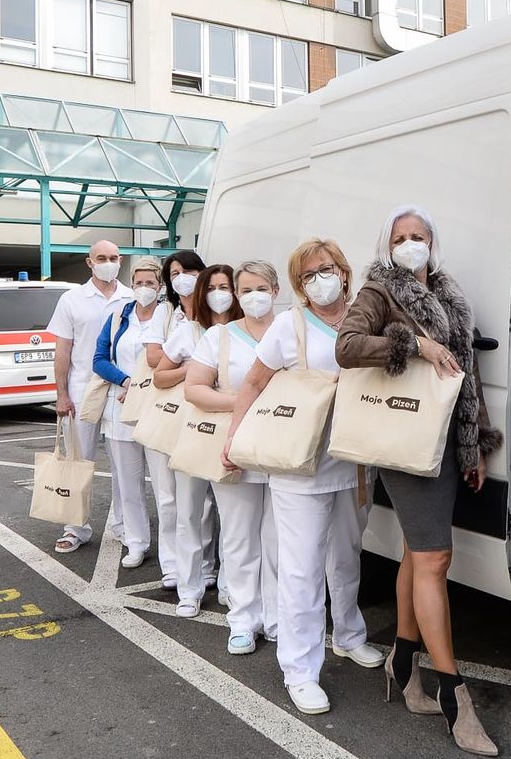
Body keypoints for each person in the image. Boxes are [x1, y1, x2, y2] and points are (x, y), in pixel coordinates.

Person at [336, 206, 503, 757]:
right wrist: (413, 345)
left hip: (447, 442)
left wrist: (475, 443)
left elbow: (468, 375)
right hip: (406, 444)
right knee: (434, 559)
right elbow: (346, 345)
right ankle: (455, 696)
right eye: (401, 237)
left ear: (434, 242)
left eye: (419, 236)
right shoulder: (379, 290)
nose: (411, 244)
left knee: (415, 553)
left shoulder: (450, 293)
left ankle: (403, 665)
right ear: (388, 244)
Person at [223, 238, 384, 716]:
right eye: (311, 274)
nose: (322, 279)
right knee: (300, 568)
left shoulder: (364, 316)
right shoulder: (285, 327)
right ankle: (299, 668)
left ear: (345, 271)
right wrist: (233, 437)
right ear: (298, 284)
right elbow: (252, 381)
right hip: (299, 466)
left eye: (328, 268)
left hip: (353, 462)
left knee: (347, 555)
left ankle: (350, 635)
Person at [184, 260, 282, 653]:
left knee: (279, 542)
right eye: (246, 290)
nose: (254, 296)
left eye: (262, 288)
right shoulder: (220, 337)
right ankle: (243, 619)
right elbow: (194, 388)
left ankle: (277, 618)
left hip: (285, 451)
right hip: (235, 447)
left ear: (276, 290)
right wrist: (243, 402)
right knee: (240, 539)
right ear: (237, 296)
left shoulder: (292, 331)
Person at [160, 262, 239, 618]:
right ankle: (189, 589)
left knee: (233, 517)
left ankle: (226, 585)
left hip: (234, 436)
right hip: (194, 432)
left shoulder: (245, 332)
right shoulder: (189, 331)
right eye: (212, 288)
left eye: (226, 287)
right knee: (189, 512)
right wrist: (192, 373)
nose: (219, 294)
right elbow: (160, 375)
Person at [47, 241, 135, 554]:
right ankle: (75, 529)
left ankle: (126, 527)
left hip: (121, 392)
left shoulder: (133, 297)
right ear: (89, 262)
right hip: (81, 391)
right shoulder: (72, 299)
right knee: (78, 463)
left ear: (120, 261)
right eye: (102, 258)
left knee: (124, 465)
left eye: (113, 258)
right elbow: (63, 350)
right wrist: (61, 394)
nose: (108, 263)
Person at [90, 255, 165, 569]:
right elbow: (99, 359)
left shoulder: (169, 316)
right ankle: (136, 542)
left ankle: (173, 555)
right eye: (139, 282)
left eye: (150, 282)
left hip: (159, 410)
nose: (144, 288)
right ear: (131, 284)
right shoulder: (120, 315)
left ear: (160, 286)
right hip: (121, 409)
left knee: (166, 488)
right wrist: (125, 380)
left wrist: (145, 384)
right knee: (128, 483)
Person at [142, 250, 209, 592]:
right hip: (169, 413)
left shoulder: (214, 312)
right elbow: (155, 361)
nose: (182, 277)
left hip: (202, 414)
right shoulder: (166, 314)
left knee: (204, 498)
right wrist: (192, 369)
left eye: (188, 270)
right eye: (175, 273)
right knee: (168, 496)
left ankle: (206, 565)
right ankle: (172, 564)